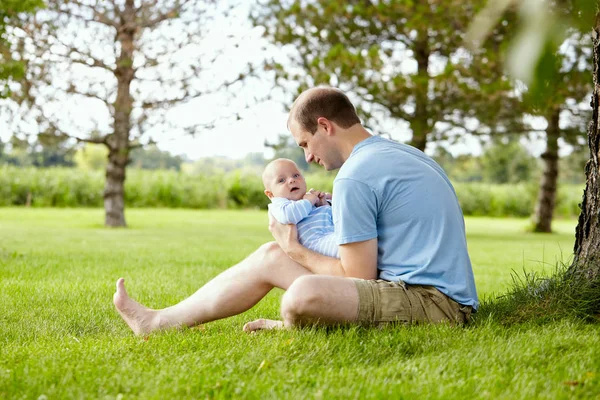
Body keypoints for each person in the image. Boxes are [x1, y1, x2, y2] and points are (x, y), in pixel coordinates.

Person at [113, 86, 478, 335]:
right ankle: (158, 321)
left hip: (435, 304)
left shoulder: (355, 176)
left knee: (301, 296)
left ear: (324, 126)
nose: (308, 157)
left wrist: (296, 250)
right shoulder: (401, 153)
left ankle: (297, 321)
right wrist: (285, 250)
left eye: (305, 143)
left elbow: (358, 275)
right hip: (431, 292)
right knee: (270, 255)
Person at [263, 158, 337, 258]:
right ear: (270, 194)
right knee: (348, 245)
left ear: (304, 180)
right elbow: (289, 216)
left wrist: (324, 204)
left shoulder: (307, 198)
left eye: (296, 175)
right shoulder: (279, 204)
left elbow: (330, 219)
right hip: (316, 243)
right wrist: (308, 202)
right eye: (281, 180)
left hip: (330, 234)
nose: (291, 180)